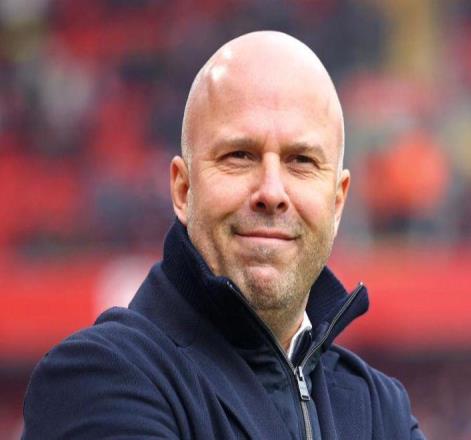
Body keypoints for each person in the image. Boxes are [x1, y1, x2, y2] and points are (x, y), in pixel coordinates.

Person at [23, 31, 426, 439]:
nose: (272, 192)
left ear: (337, 203)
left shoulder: (380, 409)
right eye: (240, 156)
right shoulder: (98, 381)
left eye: (301, 161)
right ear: (183, 189)